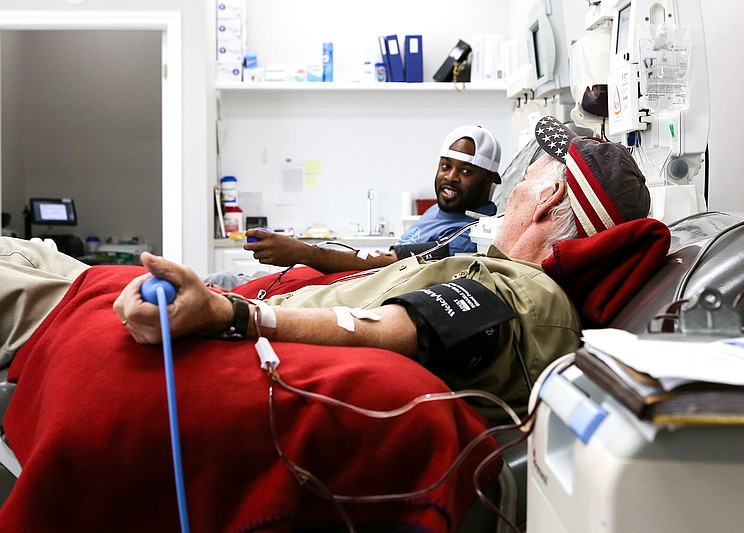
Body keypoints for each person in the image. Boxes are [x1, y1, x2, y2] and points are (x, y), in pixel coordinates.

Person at [2, 116, 651, 420]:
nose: (516, 182)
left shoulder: (525, 293)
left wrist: (229, 312)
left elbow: (395, 329)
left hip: (218, 338)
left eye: (531, 173)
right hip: (206, 315)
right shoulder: (489, 263)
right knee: (32, 253)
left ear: (550, 198)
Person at [239, 125, 502, 276]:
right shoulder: (439, 210)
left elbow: (388, 265)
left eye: (465, 171)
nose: (451, 177)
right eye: (445, 166)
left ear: (489, 180)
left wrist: (302, 253)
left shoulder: (473, 233)